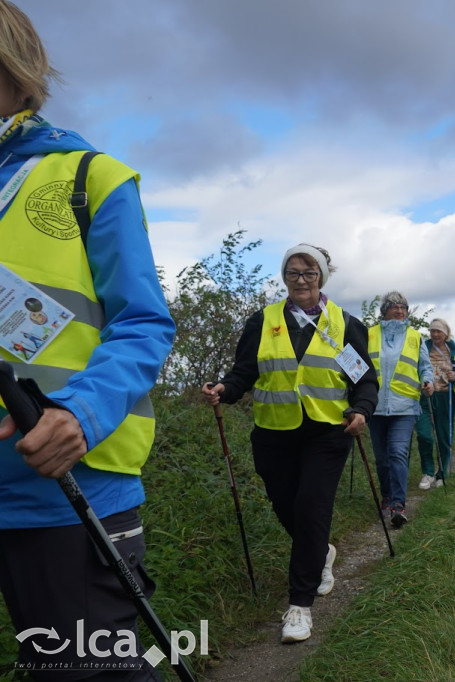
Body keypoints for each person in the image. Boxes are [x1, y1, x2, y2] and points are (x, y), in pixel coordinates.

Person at [0, 2, 176, 678]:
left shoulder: (87, 178)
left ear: (19, 73)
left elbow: (144, 322)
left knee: (84, 669)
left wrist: (79, 411)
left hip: (68, 486)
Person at [202, 244, 377, 644]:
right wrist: (224, 389)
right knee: (286, 506)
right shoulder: (262, 321)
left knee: (311, 505)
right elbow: (244, 371)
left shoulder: (344, 324)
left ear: (322, 279)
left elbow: (363, 379)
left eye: (309, 273)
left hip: (327, 431)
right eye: (293, 273)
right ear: (284, 277)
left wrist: (362, 408)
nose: (300, 280)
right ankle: (321, 552)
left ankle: (299, 606)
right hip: (273, 432)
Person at [366, 291, 433, 528]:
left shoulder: (415, 337)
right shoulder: (369, 334)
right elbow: (358, 364)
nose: (400, 311)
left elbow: (425, 366)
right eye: (394, 307)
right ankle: (386, 495)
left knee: (397, 453)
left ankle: (398, 505)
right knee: (382, 459)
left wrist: (428, 381)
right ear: (384, 310)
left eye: (403, 307)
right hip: (374, 406)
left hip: (404, 406)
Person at [414, 318, 455, 489]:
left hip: (446, 399)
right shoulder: (423, 347)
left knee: (444, 438)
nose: (435, 334)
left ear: (446, 333)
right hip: (425, 397)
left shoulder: (454, 352)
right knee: (424, 435)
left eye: (439, 331)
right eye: (432, 331)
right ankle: (428, 473)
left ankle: (441, 472)